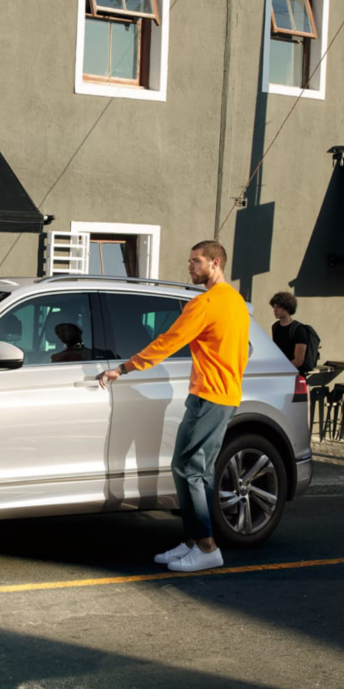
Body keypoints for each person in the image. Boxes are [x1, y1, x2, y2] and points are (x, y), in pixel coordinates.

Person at [97, 241, 250, 573]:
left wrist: (123, 368)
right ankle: (196, 541)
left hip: (208, 396)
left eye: (196, 261)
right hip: (227, 396)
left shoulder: (205, 303)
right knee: (202, 472)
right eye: (190, 260)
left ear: (216, 262)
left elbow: (167, 342)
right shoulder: (236, 302)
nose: (190, 267)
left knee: (186, 468)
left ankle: (207, 547)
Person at [269, 291, 309, 376]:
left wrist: (281, 371)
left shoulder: (299, 329)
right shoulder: (275, 327)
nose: (275, 310)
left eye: (278, 307)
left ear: (287, 308)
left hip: (294, 375)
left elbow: (299, 360)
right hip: (280, 373)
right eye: (274, 307)